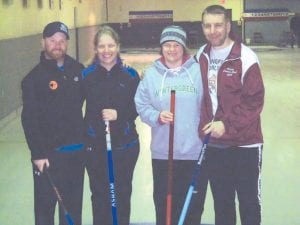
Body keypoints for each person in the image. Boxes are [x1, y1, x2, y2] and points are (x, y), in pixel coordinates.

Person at [196, 5, 264, 225]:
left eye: (218, 25)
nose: (213, 30)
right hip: (216, 145)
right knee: (222, 204)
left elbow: (254, 101)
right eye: (207, 25)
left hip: (245, 144)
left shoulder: (246, 57)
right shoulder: (201, 55)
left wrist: (226, 124)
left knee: (248, 203)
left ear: (227, 25)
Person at [135, 25, 207, 225]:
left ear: (184, 47)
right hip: (163, 153)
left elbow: (210, 104)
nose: (172, 49)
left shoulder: (198, 72)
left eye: (177, 45)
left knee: (193, 206)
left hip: (193, 151)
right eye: (167, 44)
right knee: (164, 204)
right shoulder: (151, 74)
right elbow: (141, 104)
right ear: (161, 47)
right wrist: (156, 116)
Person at [21, 21, 85, 225]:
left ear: (67, 43)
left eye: (61, 40)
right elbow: (29, 119)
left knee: (73, 208)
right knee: (44, 210)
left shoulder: (78, 70)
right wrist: (37, 154)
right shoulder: (32, 79)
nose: (57, 44)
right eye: (52, 40)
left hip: (75, 154)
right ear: (43, 42)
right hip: (48, 157)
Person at [82, 25, 140, 225]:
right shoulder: (86, 76)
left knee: (122, 194)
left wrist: (119, 114)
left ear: (118, 46)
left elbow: (138, 107)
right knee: (99, 195)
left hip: (125, 146)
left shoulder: (130, 75)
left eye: (110, 45)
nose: (106, 51)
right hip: (95, 147)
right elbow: (71, 107)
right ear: (96, 48)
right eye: (101, 46)